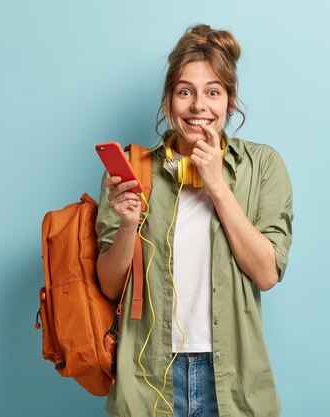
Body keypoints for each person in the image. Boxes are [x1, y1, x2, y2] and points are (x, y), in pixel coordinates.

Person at [95, 23, 293, 417]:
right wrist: (129, 224)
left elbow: (267, 274)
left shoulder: (263, 166)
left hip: (231, 376)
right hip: (149, 374)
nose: (198, 106)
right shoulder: (134, 172)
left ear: (229, 103)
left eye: (213, 92)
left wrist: (218, 186)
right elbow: (110, 286)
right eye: (185, 91)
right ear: (169, 102)